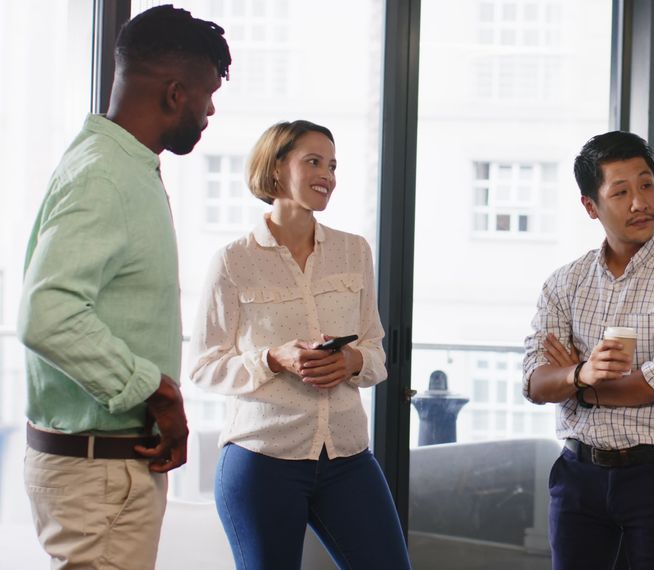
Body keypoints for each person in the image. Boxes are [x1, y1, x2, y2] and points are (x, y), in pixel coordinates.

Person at [16, 6, 229, 568]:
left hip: (104, 471)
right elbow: (48, 314)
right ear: (174, 92)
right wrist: (157, 392)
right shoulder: (105, 175)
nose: (210, 111)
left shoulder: (118, 165)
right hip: (99, 476)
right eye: (207, 95)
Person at [188, 120, 411, 569]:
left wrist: (350, 360)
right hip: (261, 459)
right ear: (275, 169)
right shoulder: (233, 261)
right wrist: (272, 358)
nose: (327, 175)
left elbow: (375, 353)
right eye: (313, 161)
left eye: (332, 165)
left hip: (348, 457)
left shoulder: (354, 252)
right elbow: (203, 365)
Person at [523, 131, 654, 569]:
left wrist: (577, 384)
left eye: (647, 184)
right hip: (577, 478)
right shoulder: (565, 282)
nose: (640, 202)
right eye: (621, 191)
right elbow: (534, 382)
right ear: (590, 206)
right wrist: (581, 373)